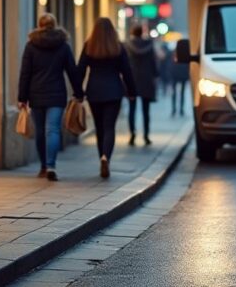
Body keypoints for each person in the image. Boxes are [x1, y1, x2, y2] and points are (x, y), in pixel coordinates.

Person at [18, 13, 84, 181]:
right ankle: (51, 165)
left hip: (36, 94)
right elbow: (72, 71)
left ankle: (43, 166)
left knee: (40, 132)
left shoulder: (31, 45)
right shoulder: (63, 45)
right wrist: (79, 93)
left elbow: (25, 73)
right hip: (57, 94)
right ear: (55, 25)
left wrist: (22, 98)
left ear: (39, 25)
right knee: (53, 130)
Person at [78, 18, 136, 179]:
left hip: (94, 91)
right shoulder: (118, 46)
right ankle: (106, 157)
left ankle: (101, 158)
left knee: (99, 128)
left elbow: (80, 69)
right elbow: (127, 71)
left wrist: (78, 92)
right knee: (109, 126)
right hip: (114, 91)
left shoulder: (89, 46)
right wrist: (132, 91)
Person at [125, 24, 158, 146]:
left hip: (131, 79)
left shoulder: (127, 45)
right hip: (146, 79)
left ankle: (132, 134)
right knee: (146, 110)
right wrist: (155, 75)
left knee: (132, 109)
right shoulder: (149, 45)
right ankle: (146, 135)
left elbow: (124, 62)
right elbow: (153, 62)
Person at [171, 42, 190, 117]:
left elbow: (170, 65)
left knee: (175, 93)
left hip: (176, 75)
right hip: (182, 75)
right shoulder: (186, 53)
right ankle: (180, 109)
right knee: (181, 93)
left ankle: (175, 109)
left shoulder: (173, 53)